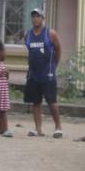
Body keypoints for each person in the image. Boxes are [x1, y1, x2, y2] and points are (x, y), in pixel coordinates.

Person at [23, 9, 64, 138]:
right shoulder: (28, 35)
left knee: (52, 101)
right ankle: (38, 128)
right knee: (36, 102)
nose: (35, 19)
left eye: (38, 16)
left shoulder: (50, 33)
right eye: (33, 16)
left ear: (43, 18)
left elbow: (58, 50)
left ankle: (58, 127)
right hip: (33, 74)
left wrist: (53, 66)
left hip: (48, 73)